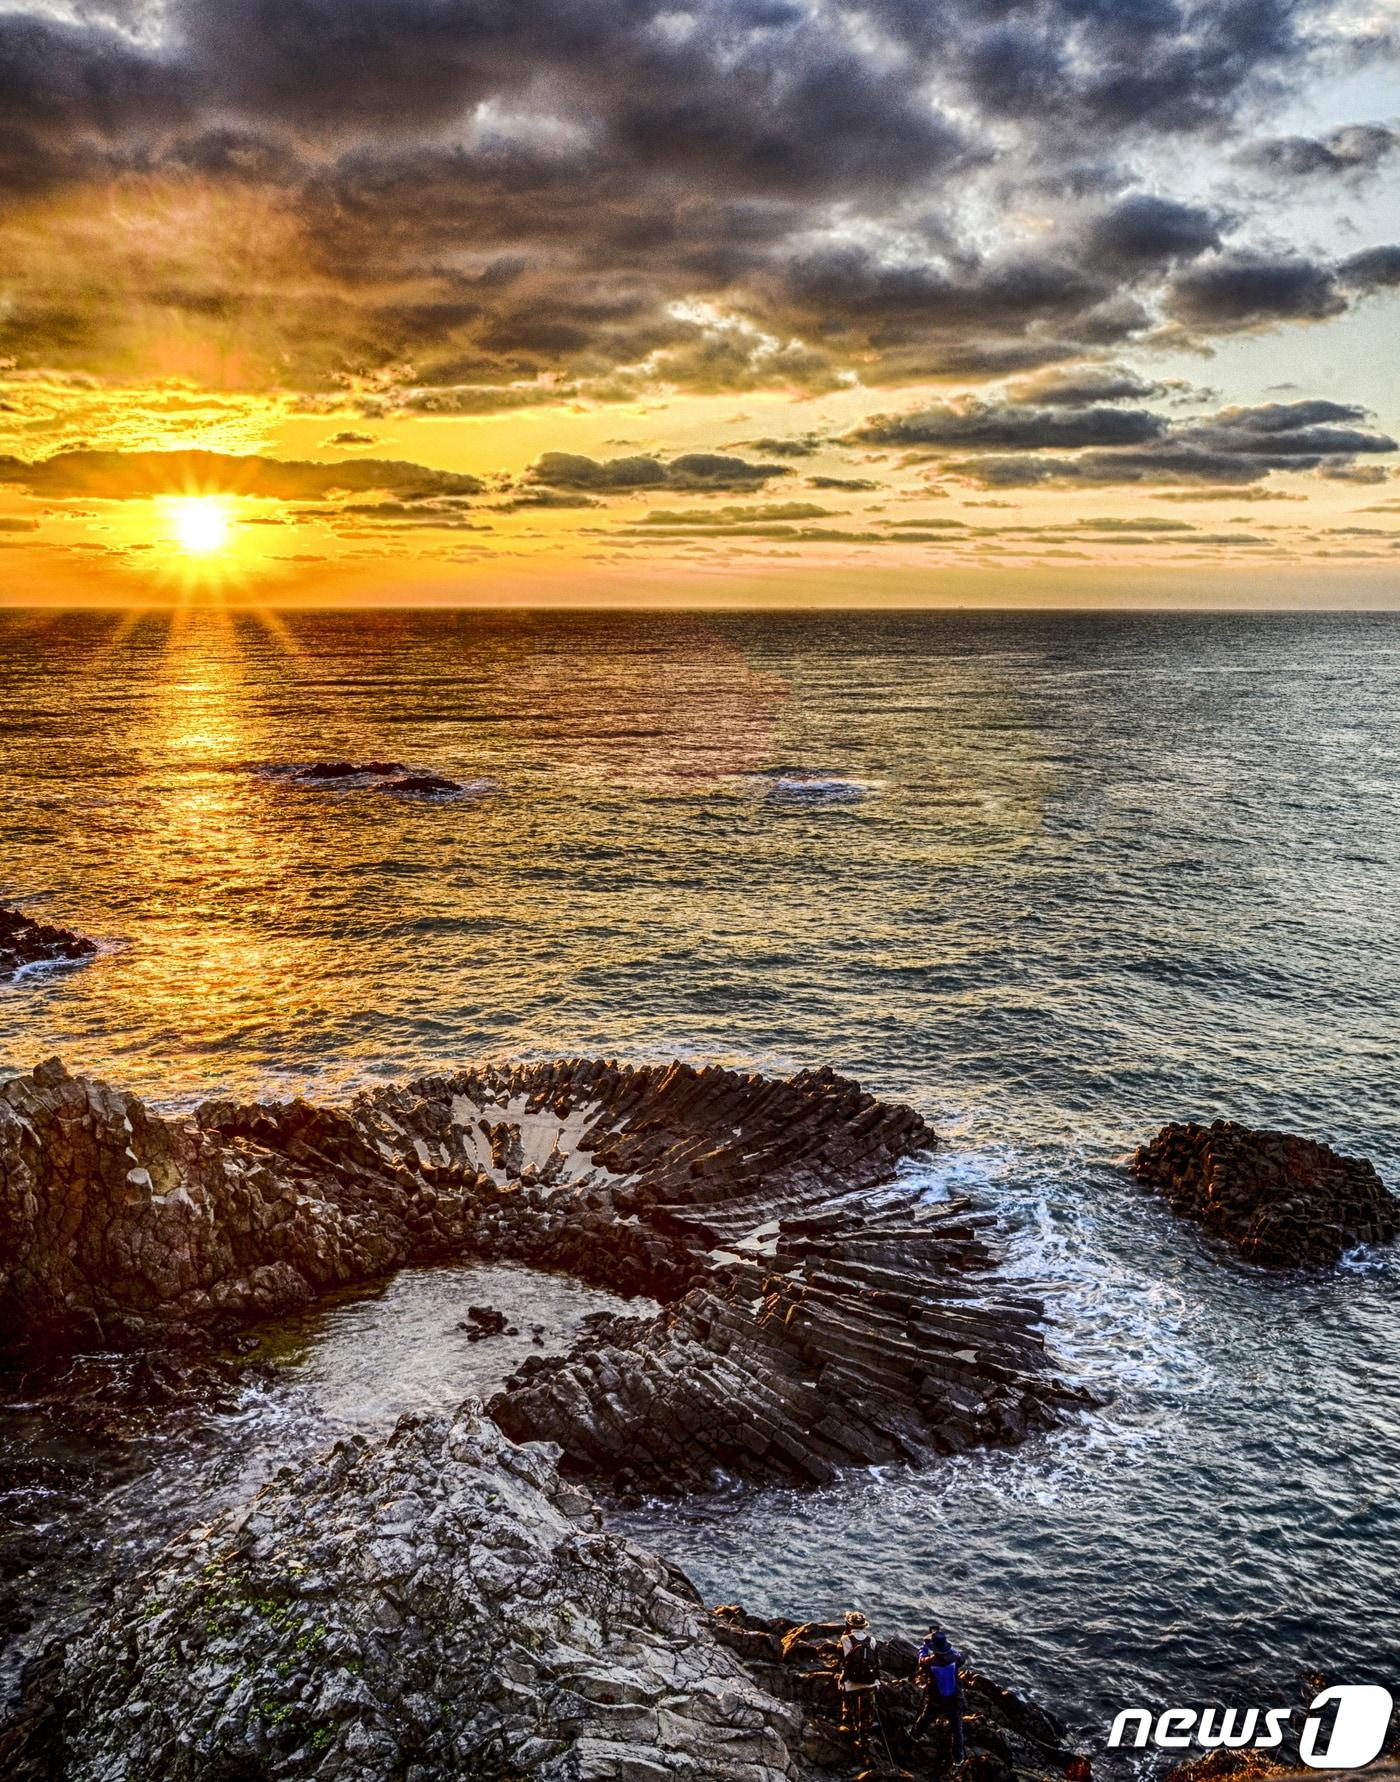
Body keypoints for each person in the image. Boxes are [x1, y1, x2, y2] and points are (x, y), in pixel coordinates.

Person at [913, 1624, 966, 1759]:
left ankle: (914, 1737)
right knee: (957, 1729)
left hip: (937, 1698)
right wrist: (947, 1648)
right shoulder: (954, 1657)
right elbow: (960, 1659)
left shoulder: (931, 1662)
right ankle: (958, 1758)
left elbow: (921, 1659)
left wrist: (924, 1645)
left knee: (926, 1718)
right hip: (955, 1698)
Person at [837, 1609, 881, 1743]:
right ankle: (864, 1738)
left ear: (849, 1625)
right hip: (870, 1683)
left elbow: (842, 1657)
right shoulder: (872, 1641)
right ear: (864, 1626)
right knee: (867, 1713)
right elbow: (877, 1663)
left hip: (851, 1683)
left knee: (844, 1691)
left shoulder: (845, 1639)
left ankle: (847, 1724)